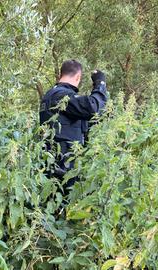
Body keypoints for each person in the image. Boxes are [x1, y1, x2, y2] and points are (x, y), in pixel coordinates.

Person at [39, 59, 108, 196]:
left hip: (52, 163)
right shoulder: (62, 96)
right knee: (63, 205)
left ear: (60, 74)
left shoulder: (49, 96)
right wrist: (100, 83)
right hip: (63, 167)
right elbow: (93, 107)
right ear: (78, 77)